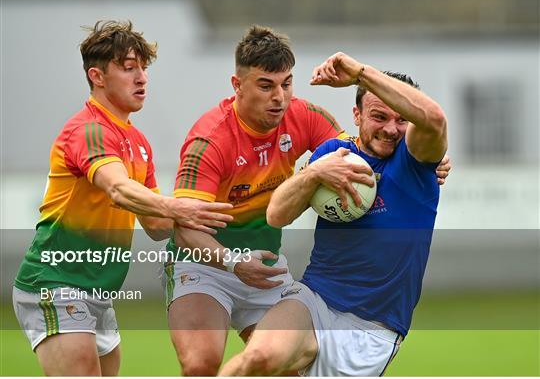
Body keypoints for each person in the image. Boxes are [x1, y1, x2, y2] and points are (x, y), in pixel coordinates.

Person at [164, 28, 450, 376]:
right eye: (378, 116)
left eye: (286, 84)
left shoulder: (410, 157)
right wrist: (312, 174)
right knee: (234, 361)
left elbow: (431, 121)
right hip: (229, 270)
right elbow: (271, 214)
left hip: (368, 325)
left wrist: (362, 74)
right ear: (357, 116)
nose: (279, 98)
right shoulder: (210, 141)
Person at [12, 20, 233, 376]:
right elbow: (118, 188)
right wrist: (178, 206)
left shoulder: (138, 142)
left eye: (144, 68)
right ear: (97, 76)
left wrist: (216, 204)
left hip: (98, 292)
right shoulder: (90, 130)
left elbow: (158, 226)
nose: (142, 78)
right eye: (129, 68)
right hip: (56, 283)